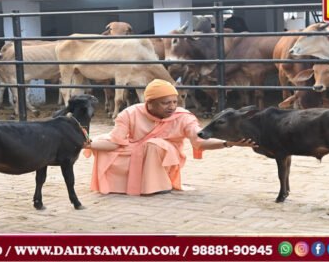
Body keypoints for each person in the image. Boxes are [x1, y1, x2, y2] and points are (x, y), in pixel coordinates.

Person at [85, 79, 256, 195]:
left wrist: (227, 143)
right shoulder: (129, 113)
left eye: (174, 102)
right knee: (102, 140)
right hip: (135, 148)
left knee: (153, 144)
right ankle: (122, 185)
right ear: (149, 103)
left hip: (165, 154)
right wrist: (86, 144)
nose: (172, 107)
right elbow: (115, 143)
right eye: (166, 103)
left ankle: (157, 186)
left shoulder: (183, 117)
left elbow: (199, 141)